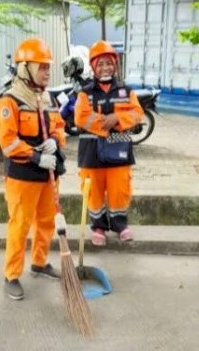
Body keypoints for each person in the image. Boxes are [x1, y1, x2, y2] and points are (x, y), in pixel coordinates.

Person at [0, 38, 67, 300]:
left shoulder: (48, 99)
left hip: (48, 175)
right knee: (20, 225)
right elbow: (8, 143)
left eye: (48, 67)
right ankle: (11, 275)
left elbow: (59, 128)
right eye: (42, 67)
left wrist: (55, 141)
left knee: (46, 222)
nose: (47, 72)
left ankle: (39, 262)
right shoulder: (9, 101)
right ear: (25, 68)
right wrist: (36, 156)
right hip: (23, 175)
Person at [74, 40, 144, 246]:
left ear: (115, 65)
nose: (105, 68)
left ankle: (120, 225)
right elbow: (80, 117)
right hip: (91, 152)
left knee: (120, 188)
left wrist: (118, 119)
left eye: (109, 63)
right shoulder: (84, 93)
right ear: (93, 67)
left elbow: (138, 113)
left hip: (119, 149)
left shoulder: (126, 91)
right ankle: (98, 226)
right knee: (93, 189)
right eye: (100, 64)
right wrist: (106, 123)